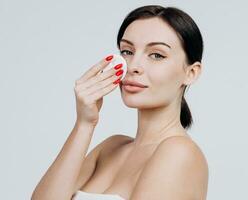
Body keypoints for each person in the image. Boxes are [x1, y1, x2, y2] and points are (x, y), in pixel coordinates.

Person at [31, 5, 208, 200]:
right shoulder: (110, 147)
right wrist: (84, 124)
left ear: (191, 73)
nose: (133, 66)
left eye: (156, 55)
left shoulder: (179, 153)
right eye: (127, 51)